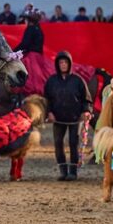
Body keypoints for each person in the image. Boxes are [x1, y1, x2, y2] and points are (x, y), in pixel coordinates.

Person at [44, 51, 93, 181]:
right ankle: (63, 171)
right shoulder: (52, 81)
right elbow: (47, 99)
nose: (63, 65)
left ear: (70, 64)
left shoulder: (78, 80)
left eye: (65, 62)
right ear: (57, 64)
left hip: (75, 118)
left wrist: (86, 111)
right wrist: (49, 112)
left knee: (73, 143)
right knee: (58, 143)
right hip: (58, 118)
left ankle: (73, 172)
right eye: (61, 62)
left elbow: (87, 99)